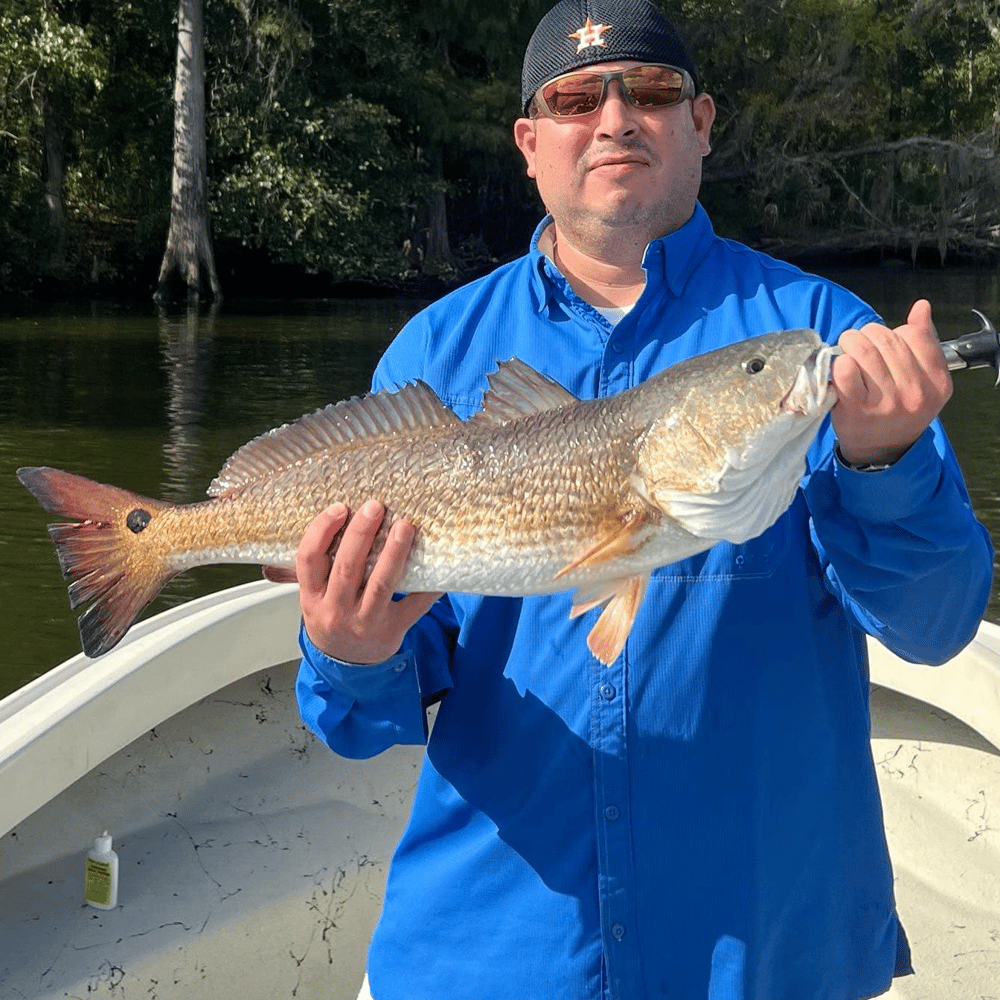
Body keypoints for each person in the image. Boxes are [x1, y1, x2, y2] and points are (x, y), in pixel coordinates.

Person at [294, 2, 995, 998]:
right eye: (576, 99)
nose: (616, 117)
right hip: (493, 955)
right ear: (530, 145)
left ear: (700, 122)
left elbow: (934, 626)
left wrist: (882, 460)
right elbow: (362, 719)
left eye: (652, 90)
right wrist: (350, 652)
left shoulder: (817, 334)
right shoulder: (434, 354)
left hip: (764, 952)